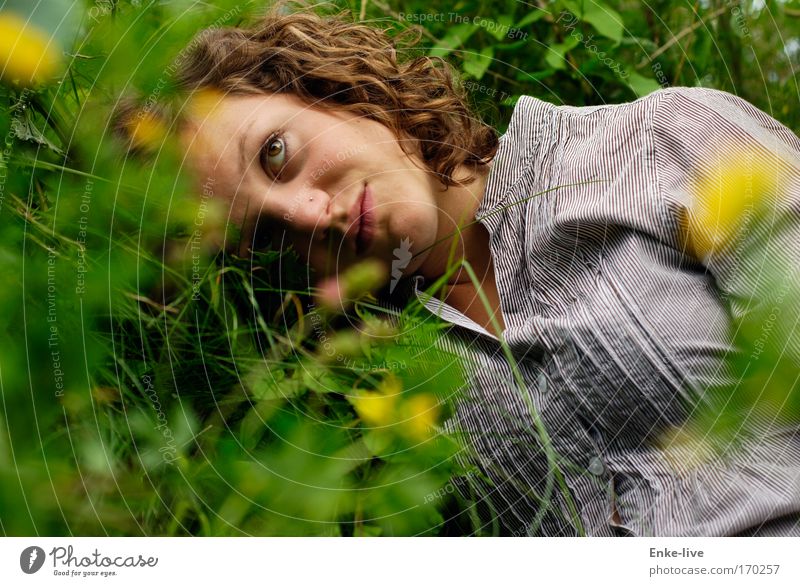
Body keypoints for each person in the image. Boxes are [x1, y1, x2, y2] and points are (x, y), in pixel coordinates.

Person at [122, 3, 800, 536]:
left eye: (276, 153)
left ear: (323, 86)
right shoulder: (383, 404)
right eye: (266, 229)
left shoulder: (657, 146)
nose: (305, 212)